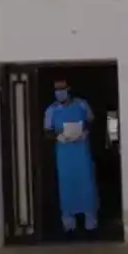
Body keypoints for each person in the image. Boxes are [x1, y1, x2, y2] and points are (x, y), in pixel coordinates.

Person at [44, 79, 100, 234]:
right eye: (57, 90)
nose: (60, 93)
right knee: (66, 185)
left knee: (86, 184)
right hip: (64, 153)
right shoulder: (51, 110)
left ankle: (91, 220)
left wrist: (86, 132)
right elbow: (47, 131)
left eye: (62, 89)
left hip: (82, 151)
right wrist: (57, 137)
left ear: (69, 89)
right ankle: (68, 223)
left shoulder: (82, 105)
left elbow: (92, 122)